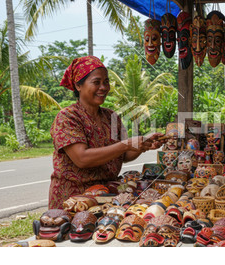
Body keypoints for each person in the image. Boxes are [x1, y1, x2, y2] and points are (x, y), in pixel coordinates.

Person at [49, 56, 164, 209]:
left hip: (107, 196)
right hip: (74, 201)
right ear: (78, 85)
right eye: (96, 82)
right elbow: (82, 158)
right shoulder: (68, 117)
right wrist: (126, 144)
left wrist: (143, 144)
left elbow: (123, 155)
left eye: (106, 82)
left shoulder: (111, 117)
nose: (103, 87)